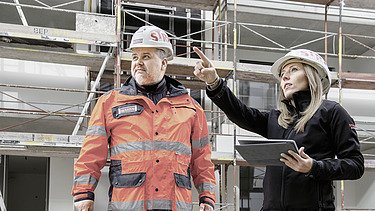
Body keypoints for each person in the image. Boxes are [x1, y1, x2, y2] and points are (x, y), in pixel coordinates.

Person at [193, 47, 364, 210]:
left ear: (313, 75)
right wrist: (214, 83)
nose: (285, 77)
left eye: (294, 70)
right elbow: (241, 113)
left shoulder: (332, 112)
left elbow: (355, 165)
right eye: (282, 74)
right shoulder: (277, 119)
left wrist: (314, 167)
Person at [72, 25, 216, 211]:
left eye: (146, 57)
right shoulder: (109, 103)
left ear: (164, 63)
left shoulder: (192, 109)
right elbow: (91, 154)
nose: (138, 63)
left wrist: (207, 198)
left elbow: (202, 160)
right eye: (135, 57)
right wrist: (83, 192)